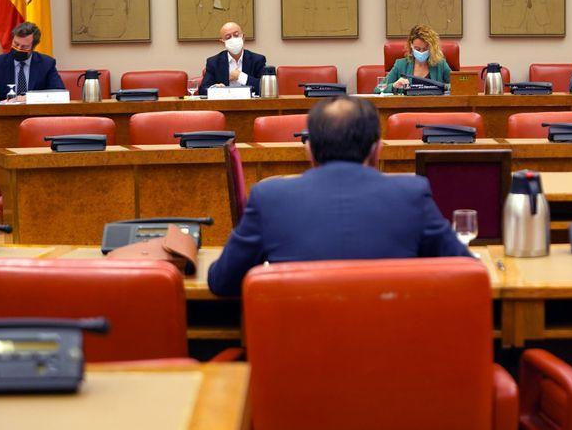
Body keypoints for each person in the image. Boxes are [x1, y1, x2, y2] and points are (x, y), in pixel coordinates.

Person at [208, 96, 471, 296]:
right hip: (391, 360)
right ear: (376, 150)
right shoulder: (412, 194)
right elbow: (467, 271)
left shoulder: (269, 197)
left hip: (297, 363)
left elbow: (222, 282)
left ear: (309, 150)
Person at [0, 22, 64, 103]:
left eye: (24, 47)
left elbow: (60, 94)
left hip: (36, 116)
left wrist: (28, 98)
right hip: (7, 116)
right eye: (16, 44)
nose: (18, 48)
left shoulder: (46, 63)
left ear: (33, 47)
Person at [375, 24, 451, 94]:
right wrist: (394, 86)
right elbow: (378, 89)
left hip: (434, 106)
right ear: (411, 46)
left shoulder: (440, 64)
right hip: (407, 107)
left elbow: (457, 86)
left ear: (432, 48)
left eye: (425, 49)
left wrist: (443, 86)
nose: (421, 52)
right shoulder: (400, 65)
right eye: (417, 49)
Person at [198, 22, 266, 96]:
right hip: (224, 105)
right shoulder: (213, 62)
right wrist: (214, 88)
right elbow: (203, 90)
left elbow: (265, 88)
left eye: (236, 35)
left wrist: (241, 77)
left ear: (243, 37)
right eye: (228, 37)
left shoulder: (258, 60)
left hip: (249, 105)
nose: (233, 39)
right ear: (222, 41)